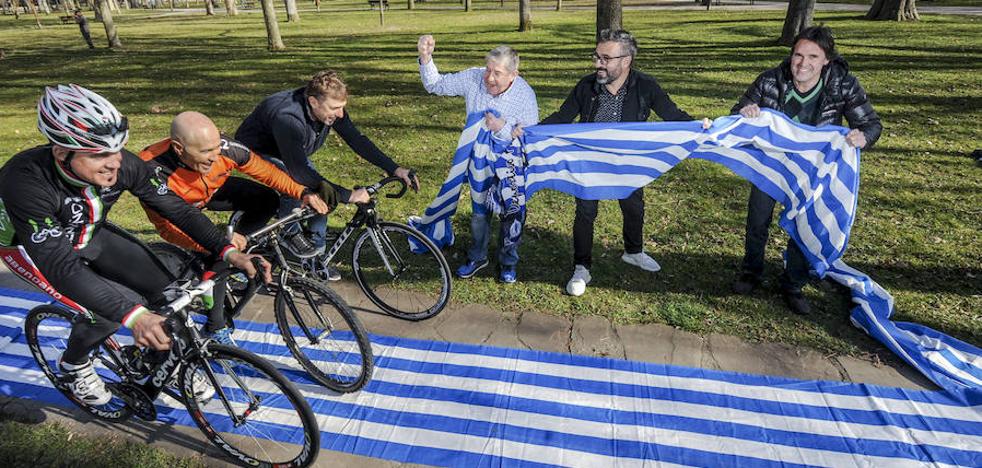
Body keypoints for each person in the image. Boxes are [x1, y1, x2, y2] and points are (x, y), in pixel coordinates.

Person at [0, 84, 270, 406]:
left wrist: (226, 249)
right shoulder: (24, 182)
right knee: (109, 312)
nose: (115, 163)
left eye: (118, 149)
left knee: (167, 290)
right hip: (30, 250)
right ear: (62, 153)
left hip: (87, 232)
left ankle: (160, 361)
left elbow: (175, 206)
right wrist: (135, 317)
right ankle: (73, 365)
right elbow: (60, 266)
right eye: (100, 153)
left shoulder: (122, 163)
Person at [139, 111, 330, 344]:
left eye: (216, 148)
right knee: (215, 254)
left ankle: (241, 239)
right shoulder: (151, 170)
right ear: (179, 149)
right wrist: (221, 247)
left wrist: (302, 192)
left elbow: (267, 172)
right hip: (175, 213)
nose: (214, 157)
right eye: (206, 152)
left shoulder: (227, 149)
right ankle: (215, 325)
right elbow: (167, 224)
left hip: (211, 189)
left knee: (267, 199)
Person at [540, 29, 706, 297]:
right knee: (585, 214)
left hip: (628, 164)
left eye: (605, 58)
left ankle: (634, 251)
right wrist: (531, 131)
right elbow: (562, 116)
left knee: (634, 207)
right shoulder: (586, 86)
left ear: (626, 60)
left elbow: (672, 115)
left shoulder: (646, 86)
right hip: (590, 162)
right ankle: (582, 267)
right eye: (596, 57)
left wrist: (700, 127)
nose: (597, 64)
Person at [730, 25, 882, 315]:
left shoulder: (843, 84)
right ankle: (750, 273)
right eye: (798, 55)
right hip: (770, 165)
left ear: (826, 60)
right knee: (757, 220)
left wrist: (863, 137)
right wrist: (744, 112)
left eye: (813, 56)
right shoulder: (770, 80)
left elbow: (871, 125)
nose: (803, 63)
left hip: (813, 170)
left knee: (804, 225)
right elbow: (738, 111)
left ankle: (793, 284)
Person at [235, 70, 419, 282]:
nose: (340, 114)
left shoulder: (330, 110)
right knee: (294, 185)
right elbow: (298, 172)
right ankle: (288, 232)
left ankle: (315, 262)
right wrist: (348, 195)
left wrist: (395, 169)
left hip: (291, 151)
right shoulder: (288, 117)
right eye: (335, 108)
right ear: (313, 101)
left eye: (342, 107)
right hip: (258, 151)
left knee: (323, 198)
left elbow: (357, 140)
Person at [417, 35, 539, 283]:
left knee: (512, 213)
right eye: (488, 70)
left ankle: (508, 261)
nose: (489, 78)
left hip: (510, 163)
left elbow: (530, 135)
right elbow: (436, 85)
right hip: (478, 162)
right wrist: (426, 57)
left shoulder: (525, 94)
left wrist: (502, 127)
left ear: (512, 75)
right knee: (479, 213)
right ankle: (477, 255)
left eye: (497, 73)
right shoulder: (474, 78)